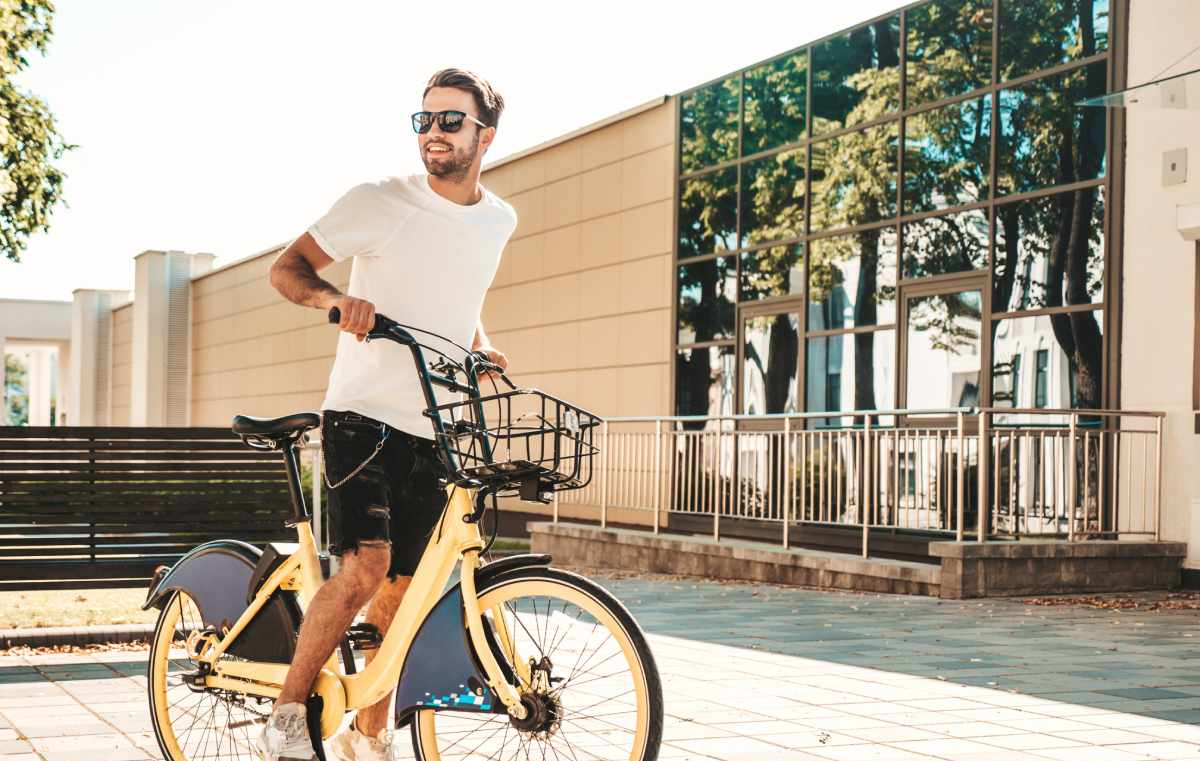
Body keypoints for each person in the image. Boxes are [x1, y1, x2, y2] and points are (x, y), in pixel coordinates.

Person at [258, 68, 516, 761]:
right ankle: (287, 714)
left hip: (434, 424)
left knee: (405, 590)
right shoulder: (380, 200)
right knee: (366, 568)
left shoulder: (498, 220)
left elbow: (455, 295)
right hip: (362, 415)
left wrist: (480, 343)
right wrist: (336, 302)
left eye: (450, 120)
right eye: (424, 120)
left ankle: (369, 736)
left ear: (486, 136)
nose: (433, 132)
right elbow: (287, 268)